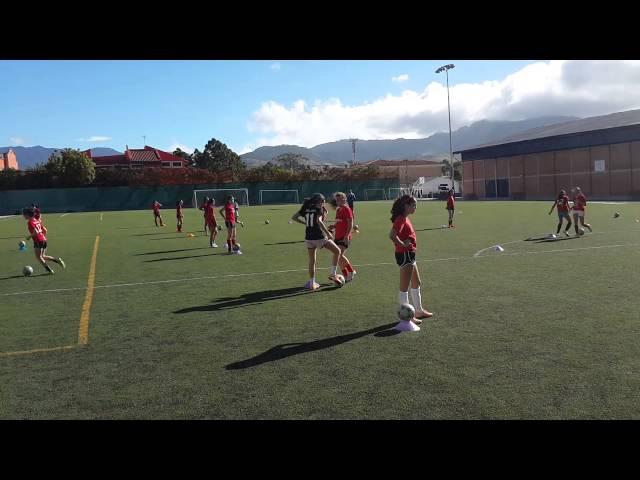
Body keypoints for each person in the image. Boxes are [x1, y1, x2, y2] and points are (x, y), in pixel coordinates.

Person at [389, 195, 432, 325]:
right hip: (405, 254)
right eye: (413, 205)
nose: (415, 207)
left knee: (416, 282)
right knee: (404, 287)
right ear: (406, 206)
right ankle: (406, 315)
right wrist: (402, 244)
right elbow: (392, 235)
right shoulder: (401, 219)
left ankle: (418, 310)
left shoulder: (405, 218)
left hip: (410, 254)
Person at [291, 193, 343, 290]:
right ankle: (333, 274)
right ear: (320, 201)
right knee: (337, 251)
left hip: (308, 238)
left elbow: (294, 217)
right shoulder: (319, 209)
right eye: (323, 202)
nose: (324, 203)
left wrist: (305, 223)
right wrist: (328, 234)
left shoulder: (306, 208)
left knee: (312, 261)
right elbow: (319, 221)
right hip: (319, 237)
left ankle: (312, 282)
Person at [22, 207, 65, 274]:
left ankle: (49, 270)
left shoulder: (30, 222)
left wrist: (29, 237)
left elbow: (35, 232)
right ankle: (57, 260)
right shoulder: (36, 220)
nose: (23, 216)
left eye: (24, 214)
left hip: (38, 241)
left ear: (27, 215)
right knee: (43, 256)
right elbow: (45, 230)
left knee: (39, 257)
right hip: (43, 239)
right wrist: (42, 236)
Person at [329, 192, 357, 282]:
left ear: (345, 199)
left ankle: (351, 271)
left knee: (339, 255)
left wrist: (346, 235)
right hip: (337, 236)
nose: (338, 201)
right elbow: (338, 222)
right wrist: (333, 226)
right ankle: (345, 275)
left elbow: (350, 223)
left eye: (340, 199)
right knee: (338, 256)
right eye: (337, 200)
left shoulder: (346, 209)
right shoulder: (338, 209)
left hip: (344, 236)